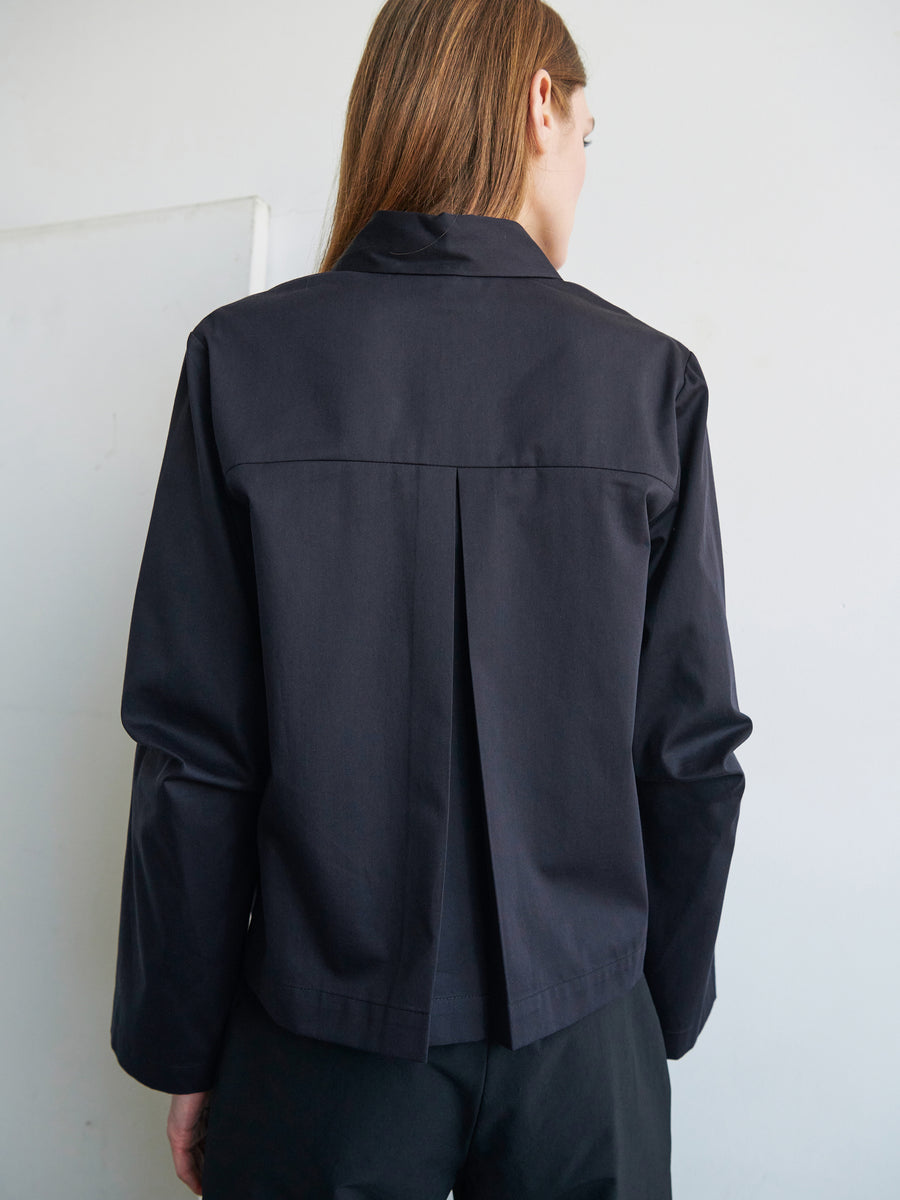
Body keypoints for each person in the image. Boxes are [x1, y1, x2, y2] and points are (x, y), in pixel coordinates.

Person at [109, 0, 753, 1196]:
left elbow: (195, 754)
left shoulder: (241, 362)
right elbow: (692, 748)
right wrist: (651, 1017)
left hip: (315, 1043)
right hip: (584, 1031)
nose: (582, 174)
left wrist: (181, 1045)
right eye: (589, 135)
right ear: (537, 105)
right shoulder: (649, 382)